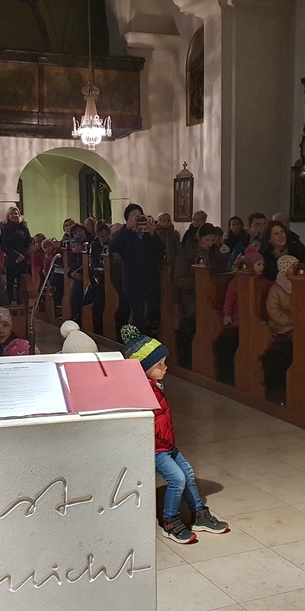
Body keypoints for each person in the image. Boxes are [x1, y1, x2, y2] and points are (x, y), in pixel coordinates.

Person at [121, 324, 229, 543]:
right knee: (177, 479)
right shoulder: (139, 391)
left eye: (164, 362)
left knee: (187, 473)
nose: (165, 367)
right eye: (159, 365)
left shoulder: (155, 386)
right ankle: (170, 522)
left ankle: (199, 514)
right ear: (142, 369)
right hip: (156, 448)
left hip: (167, 445)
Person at [111, 203, 165, 333]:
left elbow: (160, 251)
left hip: (150, 280)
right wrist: (127, 228)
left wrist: (153, 233)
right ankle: (137, 341)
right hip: (132, 281)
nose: (137, 219)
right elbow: (113, 247)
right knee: (138, 316)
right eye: (134, 217)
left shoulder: (148, 235)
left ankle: (149, 341)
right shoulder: (124, 235)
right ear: (127, 219)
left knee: (153, 315)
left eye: (140, 216)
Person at [173, 223, 220, 366]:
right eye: (207, 240)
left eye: (212, 241)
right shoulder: (187, 253)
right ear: (199, 237)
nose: (210, 244)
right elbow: (179, 279)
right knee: (195, 319)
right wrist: (199, 284)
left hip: (209, 294)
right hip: (190, 295)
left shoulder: (214, 253)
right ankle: (189, 357)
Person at [217, 250, 264, 384]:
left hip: (255, 319)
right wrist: (227, 315)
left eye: (262, 264)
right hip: (239, 318)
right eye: (258, 264)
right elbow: (229, 300)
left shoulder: (261, 282)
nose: (262, 267)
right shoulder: (236, 282)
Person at [264, 255, 299, 399]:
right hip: (280, 326)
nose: (296, 270)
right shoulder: (276, 289)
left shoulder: (299, 285)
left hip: (297, 324)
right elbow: (273, 309)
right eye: (293, 267)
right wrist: (288, 321)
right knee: (295, 340)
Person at [0, 205, 31, 304]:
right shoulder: (5, 229)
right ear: (8, 216)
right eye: (12, 214)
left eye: (16, 213)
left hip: (23, 260)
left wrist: (23, 255)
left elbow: (29, 243)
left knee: (22, 284)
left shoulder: (24, 228)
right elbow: (4, 245)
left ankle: (21, 305)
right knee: (10, 284)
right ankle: (8, 305)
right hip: (11, 260)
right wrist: (16, 256)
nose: (14, 215)